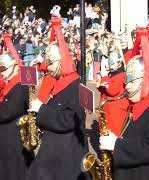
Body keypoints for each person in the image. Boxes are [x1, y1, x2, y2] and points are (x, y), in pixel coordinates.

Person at [99, 27, 149, 180]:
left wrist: (116, 145)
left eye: (131, 81)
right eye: (126, 81)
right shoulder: (136, 104)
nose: (127, 86)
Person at [26, 17, 89, 180]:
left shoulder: (77, 85)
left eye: (52, 63)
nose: (48, 67)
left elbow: (70, 120)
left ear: (62, 61)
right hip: (54, 152)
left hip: (68, 156)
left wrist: (41, 110)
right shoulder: (57, 81)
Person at [0, 45, 29, 180]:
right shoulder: (11, 83)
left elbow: (8, 112)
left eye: (3, 69)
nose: (2, 73)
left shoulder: (19, 86)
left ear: (14, 67)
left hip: (13, 139)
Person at [97, 41, 130, 137]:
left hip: (115, 110)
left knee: (113, 135)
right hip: (107, 109)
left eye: (112, 63)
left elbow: (112, 91)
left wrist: (104, 77)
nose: (110, 66)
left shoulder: (121, 75)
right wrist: (101, 81)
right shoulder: (112, 73)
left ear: (119, 64)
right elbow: (103, 88)